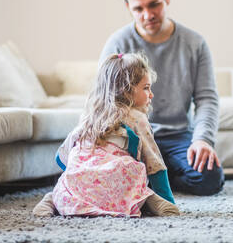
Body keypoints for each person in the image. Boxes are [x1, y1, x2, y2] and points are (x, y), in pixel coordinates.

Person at [99, 0, 224, 196]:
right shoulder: (117, 43)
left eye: (154, 4)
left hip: (178, 138)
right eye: (138, 8)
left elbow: (207, 99)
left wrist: (203, 140)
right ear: (129, 8)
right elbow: (104, 101)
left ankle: (154, 180)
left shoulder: (195, 43)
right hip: (132, 137)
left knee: (210, 178)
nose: (148, 15)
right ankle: (155, 179)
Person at [33, 53, 179, 217]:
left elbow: (61, 157)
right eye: (146, 88)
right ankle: (149, 199)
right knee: (133, 173)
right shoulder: (137, 118)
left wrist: (82, 175)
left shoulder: (90, 116)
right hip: (115, 179)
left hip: (83, 183)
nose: (151, 94)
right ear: (126, 90)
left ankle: (54, 199)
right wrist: (168, 200)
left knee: (67, 182)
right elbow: (155, 164)